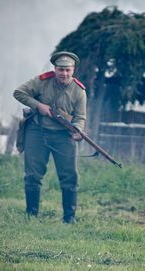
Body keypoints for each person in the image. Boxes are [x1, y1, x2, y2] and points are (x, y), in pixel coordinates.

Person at [13, 51, 87, 224]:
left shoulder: (79, 91)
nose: (64, 73)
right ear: (55, 69)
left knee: (69, 176)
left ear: (73, 70)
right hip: (37, 132)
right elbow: (18, 92)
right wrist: (38, 105)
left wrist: (78, 131)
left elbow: (80, 117)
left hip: (63, 136)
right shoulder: (42, 81)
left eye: (68, 70)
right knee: (32, 175)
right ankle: (31, 215)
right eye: (61, 69)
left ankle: (69, 218)